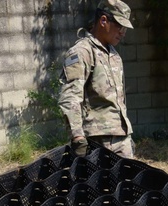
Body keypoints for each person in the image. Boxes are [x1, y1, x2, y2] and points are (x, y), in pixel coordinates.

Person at [58, 0, 135, 158]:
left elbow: (119, 100)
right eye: (120, 25)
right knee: (99, 183)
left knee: (128, 182)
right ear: (103, 20)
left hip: (121, 137)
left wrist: (126, 135)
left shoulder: (114, 55)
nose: (123, 32)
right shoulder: (82, 52)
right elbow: (70, 96)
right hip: (96, 140)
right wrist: (77, 137)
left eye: (125, 28)